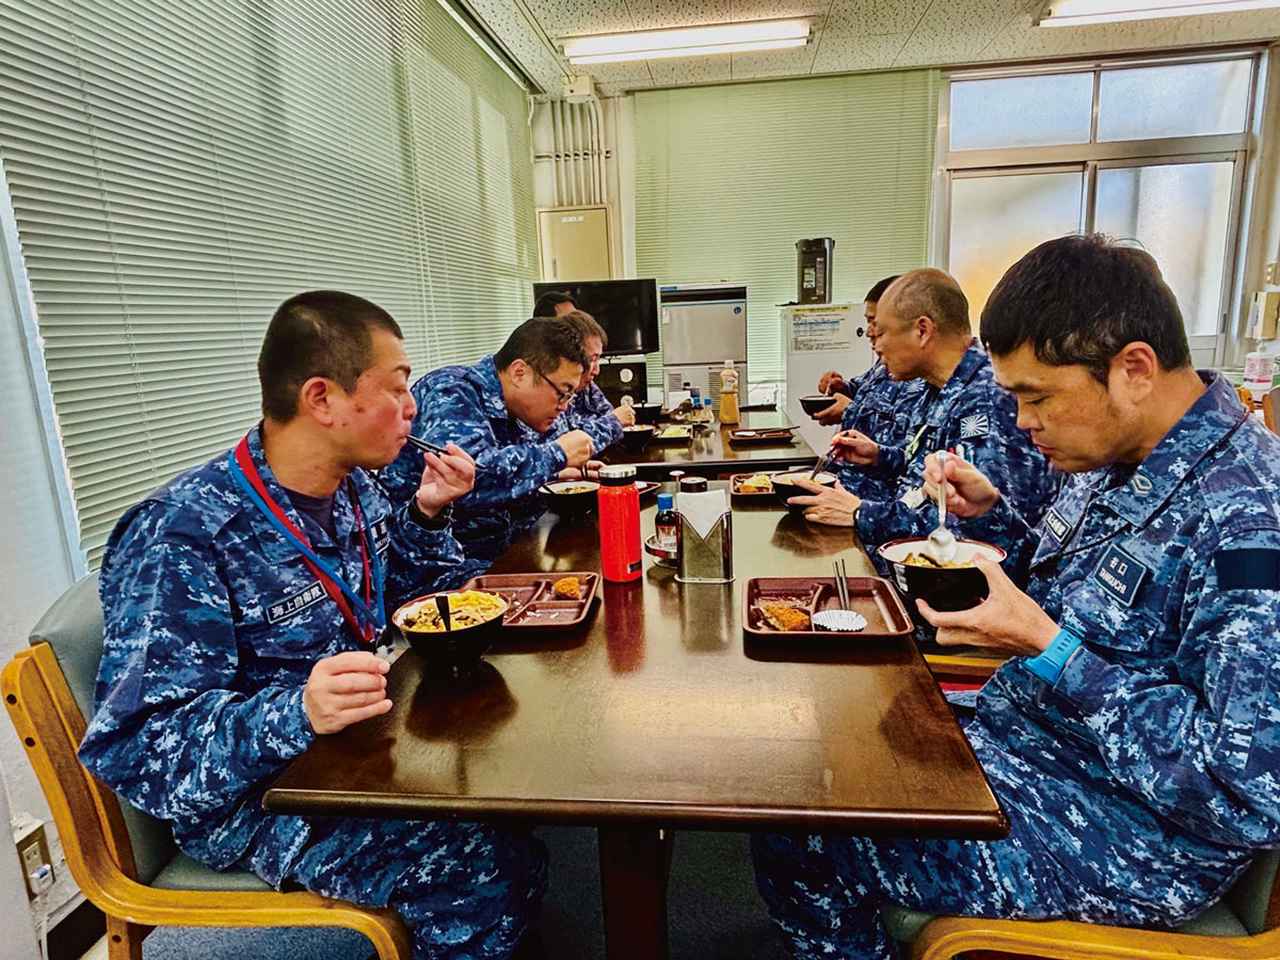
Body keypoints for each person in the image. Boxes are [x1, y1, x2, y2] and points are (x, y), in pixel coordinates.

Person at [752, 235, 1280, 959]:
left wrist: (1052, 650)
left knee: (804, 831)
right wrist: (996, 513)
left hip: (1125, 830)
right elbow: (1087, 590)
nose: (1024, 423)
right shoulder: (1123, 455)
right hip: (1026, 740)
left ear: (1133, 370)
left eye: (1037, 398)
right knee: (820, 757)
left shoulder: (1248, 521)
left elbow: (1247, 790)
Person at [78, 291, 547, 959]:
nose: (413, 407)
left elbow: (402, 598)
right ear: (322, 399)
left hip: (356, 752)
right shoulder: (183, 534)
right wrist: (296, 711)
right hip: (260, 798)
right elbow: (137, 746)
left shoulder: (354, 489)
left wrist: (429, 514)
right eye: (396, 387)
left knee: (511, 806)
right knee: (478, 864)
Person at [791, 268, 1057, 554]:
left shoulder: (987, 399)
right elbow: (921, 473)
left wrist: (861, 514)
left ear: (922, 331)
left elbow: (978, 533)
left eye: (882, 332)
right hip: (900, 547)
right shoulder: (934, 387)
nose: (876, 344)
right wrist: (879, 455)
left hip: (936, 570)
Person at [380, 316, 593, 575]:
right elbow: (469, 479)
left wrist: (557, 474)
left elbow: (510, 478)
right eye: (562, 392)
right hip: (438, 570)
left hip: (498, 553)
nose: (565, 406)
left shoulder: (515, 411)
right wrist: (557, 455)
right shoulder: (450, 390)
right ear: (519, 373)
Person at [810, 275, 930, 500]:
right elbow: (865, 389)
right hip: (840, 482)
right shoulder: (886, 363)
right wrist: (841, 387)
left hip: (872, 499)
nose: (869, 332)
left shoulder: (926, 377)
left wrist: (851, 410)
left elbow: (908, 455)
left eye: (876, 323)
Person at [553, 309, 636, 451]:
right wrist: (613, 422)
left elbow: (612, 419)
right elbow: (568, 447)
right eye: (592, 359)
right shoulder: (553, 391)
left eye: (598, 359)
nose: (597, 370)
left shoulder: (587, 387)